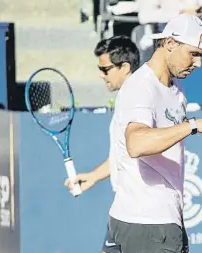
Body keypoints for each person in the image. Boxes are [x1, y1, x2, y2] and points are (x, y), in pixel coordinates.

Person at [108, 13, 202, 253]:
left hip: (146, 217)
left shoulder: (177, 88)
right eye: (194, 54)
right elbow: (136, 144)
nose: (199, 64)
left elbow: (163, 132)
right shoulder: (141, 87)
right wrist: (194, 125)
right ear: (169, 44)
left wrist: (200, 127)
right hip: (149, 224)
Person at [64, 35, 141, 253]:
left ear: (124, 67)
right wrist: (93, 177)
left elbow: (141, 148)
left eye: (105, 69)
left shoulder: (137, 98)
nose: (101, 75)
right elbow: (123, 153)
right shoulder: (127, 97)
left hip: (138, 208)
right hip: (125, 206)